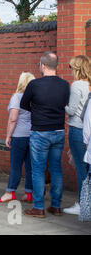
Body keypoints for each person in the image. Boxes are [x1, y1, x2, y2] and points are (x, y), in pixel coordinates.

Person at [21, 51, 70, 218]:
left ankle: (39, 207)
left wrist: (37, 112)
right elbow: (66, 105)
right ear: (56, 66)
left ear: (42, 66)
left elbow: (23, 104)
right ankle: (56, 206)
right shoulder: (65, 85)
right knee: (56, 169)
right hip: (58, 130)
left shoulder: (35, 84)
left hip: (40, 131)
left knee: (38, 170)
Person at [0, 72, 35, 203]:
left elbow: (13, 119)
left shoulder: (17, 97)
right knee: (31, 166)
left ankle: (10, 192)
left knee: (16, 166)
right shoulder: (35, 98)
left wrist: (8, 136)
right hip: (33, 135)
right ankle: (29, 193)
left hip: (19, 135)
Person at [63, 55, 91, 215]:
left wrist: (61, 105)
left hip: (77, 128)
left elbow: (72, 110)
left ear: (77, 68)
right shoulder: (89, 84)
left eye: (72, 67)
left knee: (81, 168)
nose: (71, 70)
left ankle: (82, 204)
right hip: (88, 129)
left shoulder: (76, 85)